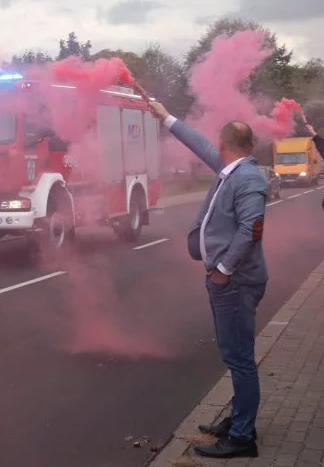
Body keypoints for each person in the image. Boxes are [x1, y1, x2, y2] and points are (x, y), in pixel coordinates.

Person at [148, 101, 268, 459]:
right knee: (234, 356)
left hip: (235, 282)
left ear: (225, 144)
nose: (212, 146)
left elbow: (251, 231)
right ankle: (238, 419)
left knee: (240, 358)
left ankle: (243, 438)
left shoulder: (247, 180)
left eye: (216, 142)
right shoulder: (233, 169)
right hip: (228, 281)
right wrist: (165, 116)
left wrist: (223, 271)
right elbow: (198, 144)